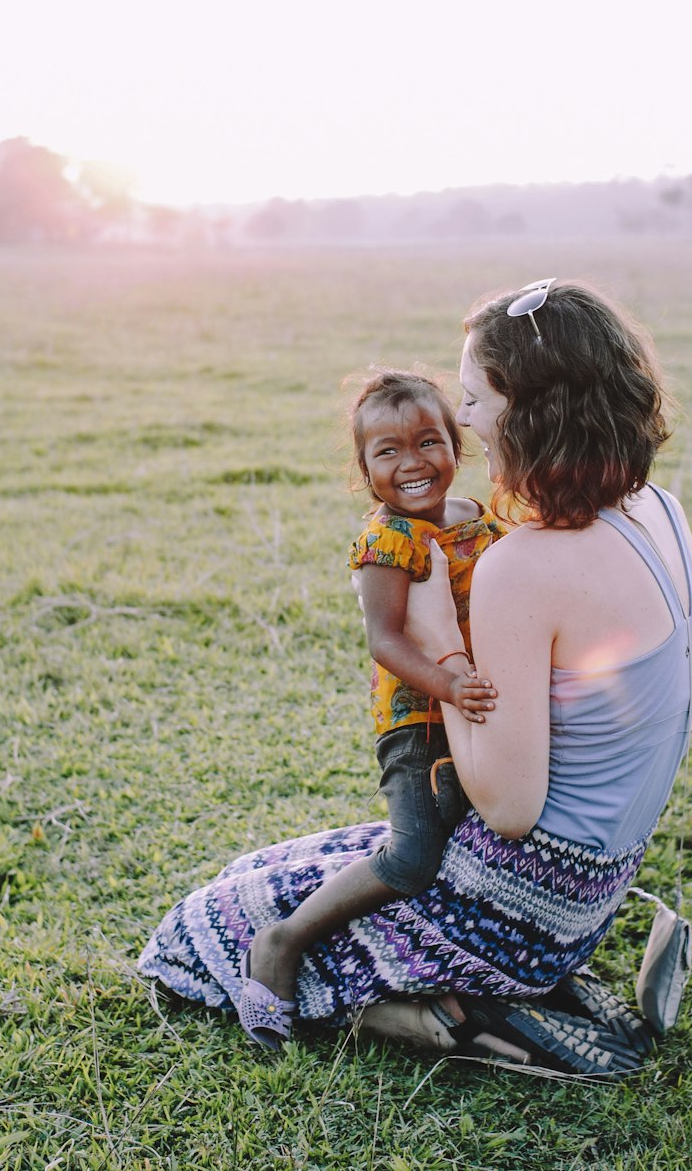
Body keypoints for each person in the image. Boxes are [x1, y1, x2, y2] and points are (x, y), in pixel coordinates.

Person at [139, 279, 692, 1069]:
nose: (465, 420)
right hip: (596, 888)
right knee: (268, 868)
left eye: (474, 399)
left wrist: (444, 640)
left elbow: (507, 809)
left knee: (206, 924)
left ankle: (447, 1010)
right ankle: (472, 992)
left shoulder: (526, 566)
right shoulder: (663, 516)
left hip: (521, 909)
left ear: (530, 412)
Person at [237, 369, 504, 1046]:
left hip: (473, 706)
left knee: (478, 840)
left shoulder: (476, 517)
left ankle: (454, 965)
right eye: (388, 452)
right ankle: (283, 941)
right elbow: (385, 640)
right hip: (420, 721)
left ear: (456, 444)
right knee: (414, 857)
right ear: (364, 469)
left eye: (427, 442)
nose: (412, 464)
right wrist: (448, 688)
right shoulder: (388, 541)